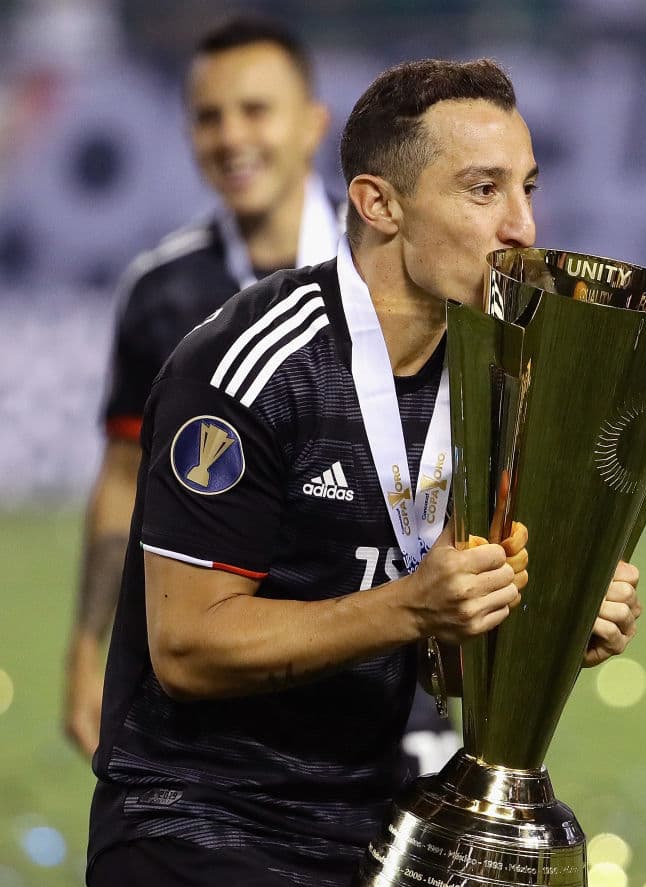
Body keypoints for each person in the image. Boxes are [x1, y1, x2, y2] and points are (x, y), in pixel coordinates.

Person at [87, 58, 642, 887]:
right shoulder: (250, 366)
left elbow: (450, 664)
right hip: (200, 830)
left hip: (380, 837)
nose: (522, 226)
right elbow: (187, 648)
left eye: (527, 187)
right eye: (483, 189)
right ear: (379, 203)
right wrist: (409, 605)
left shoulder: (502, 384)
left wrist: (550, 623)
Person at [63, 14, 456, 773]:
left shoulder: (396, 261)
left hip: (399, 664)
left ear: (312, 124)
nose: (231, 137)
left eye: (255, 110)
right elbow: (122, 480)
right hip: (243, 667)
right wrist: (86, 649)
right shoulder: (162, 294)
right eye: (208, 117)